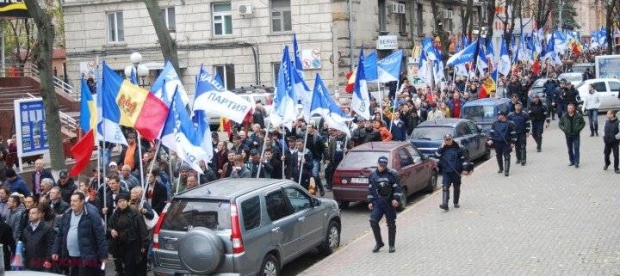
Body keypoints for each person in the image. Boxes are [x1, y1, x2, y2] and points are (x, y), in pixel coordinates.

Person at [52, 191, 108, 276]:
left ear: (82, 201)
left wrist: (104, 255)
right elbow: (60, 234)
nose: (72, 203)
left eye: (75, 201)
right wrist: (55, 250)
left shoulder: (91, 215)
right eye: (71, 201)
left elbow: (100, 236)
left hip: (86, 255)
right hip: (71, 255)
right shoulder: (67, 214)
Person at [108, 193, 149, 276]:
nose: (122, 203)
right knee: (127, 267)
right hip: (121, 245)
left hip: (134, 243)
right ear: (117, 203)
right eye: (119, 201)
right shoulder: (115, 214)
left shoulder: (134, 212)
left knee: (134, 267)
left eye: (124, 201)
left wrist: (144, 245)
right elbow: (109, 226)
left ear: (127, 201)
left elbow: (143, 229)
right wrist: (111, 230)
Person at [367, 156, 401, 253]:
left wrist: (396, 199)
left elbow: (397, 188)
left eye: (384, 166)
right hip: (378, 203)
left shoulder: (392, 175)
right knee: (373, 221)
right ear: (377, 164)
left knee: (391, 224)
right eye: (381, 165)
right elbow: (371, 189)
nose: (382, 167)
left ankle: (391, 245)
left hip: (389, 203)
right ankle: (379, 243)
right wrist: (370, 201)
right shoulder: (372, 175)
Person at [436, 134, 467, 210]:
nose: (448, 141)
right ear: (444, 141)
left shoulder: (458, 147)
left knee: (456, 187)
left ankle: (456, 202)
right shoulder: (442, 148)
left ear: (452, 139)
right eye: (446, 140)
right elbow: (436, 155)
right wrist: (441, 147)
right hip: (446, 171)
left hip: (456, 171)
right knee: (445, 187)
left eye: (449, 139)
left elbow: (464, 158)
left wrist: (464, 169)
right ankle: (445, 204)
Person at [22, 205, 56, 271]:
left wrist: (48, 260)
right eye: (30, 213)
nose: (30, 215)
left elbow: (51, 245)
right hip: (29, 262)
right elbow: (25, 244)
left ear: (40, 214)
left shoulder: (47, 228)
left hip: (42, 262)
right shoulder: (26, 229)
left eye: (33, 213)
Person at [487, 111, 517, 176]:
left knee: (507, 156)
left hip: (506, 142)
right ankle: (501, 168)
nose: (498, 116)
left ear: (503, 116)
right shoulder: (495, 123)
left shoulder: (510, 123)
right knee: (498, 155)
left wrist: (513, 142)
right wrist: (490, 140)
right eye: (498, 115)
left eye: (499, 115)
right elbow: (491, 133)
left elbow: (513, 134)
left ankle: (506, 171)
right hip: (497, 142)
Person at [559, 104, 586, 168]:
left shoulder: (578, 115)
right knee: (570, 149)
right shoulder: (564, 116)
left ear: (574, 109)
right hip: (568, 135)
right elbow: (560, 124)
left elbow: (583, 123)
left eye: (571, 108)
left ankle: (576, 162)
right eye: (568, 108)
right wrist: (564, 129)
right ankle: (572, 161)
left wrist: (579, 129)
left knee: (576, 148)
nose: (569, 109)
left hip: (576, 135)